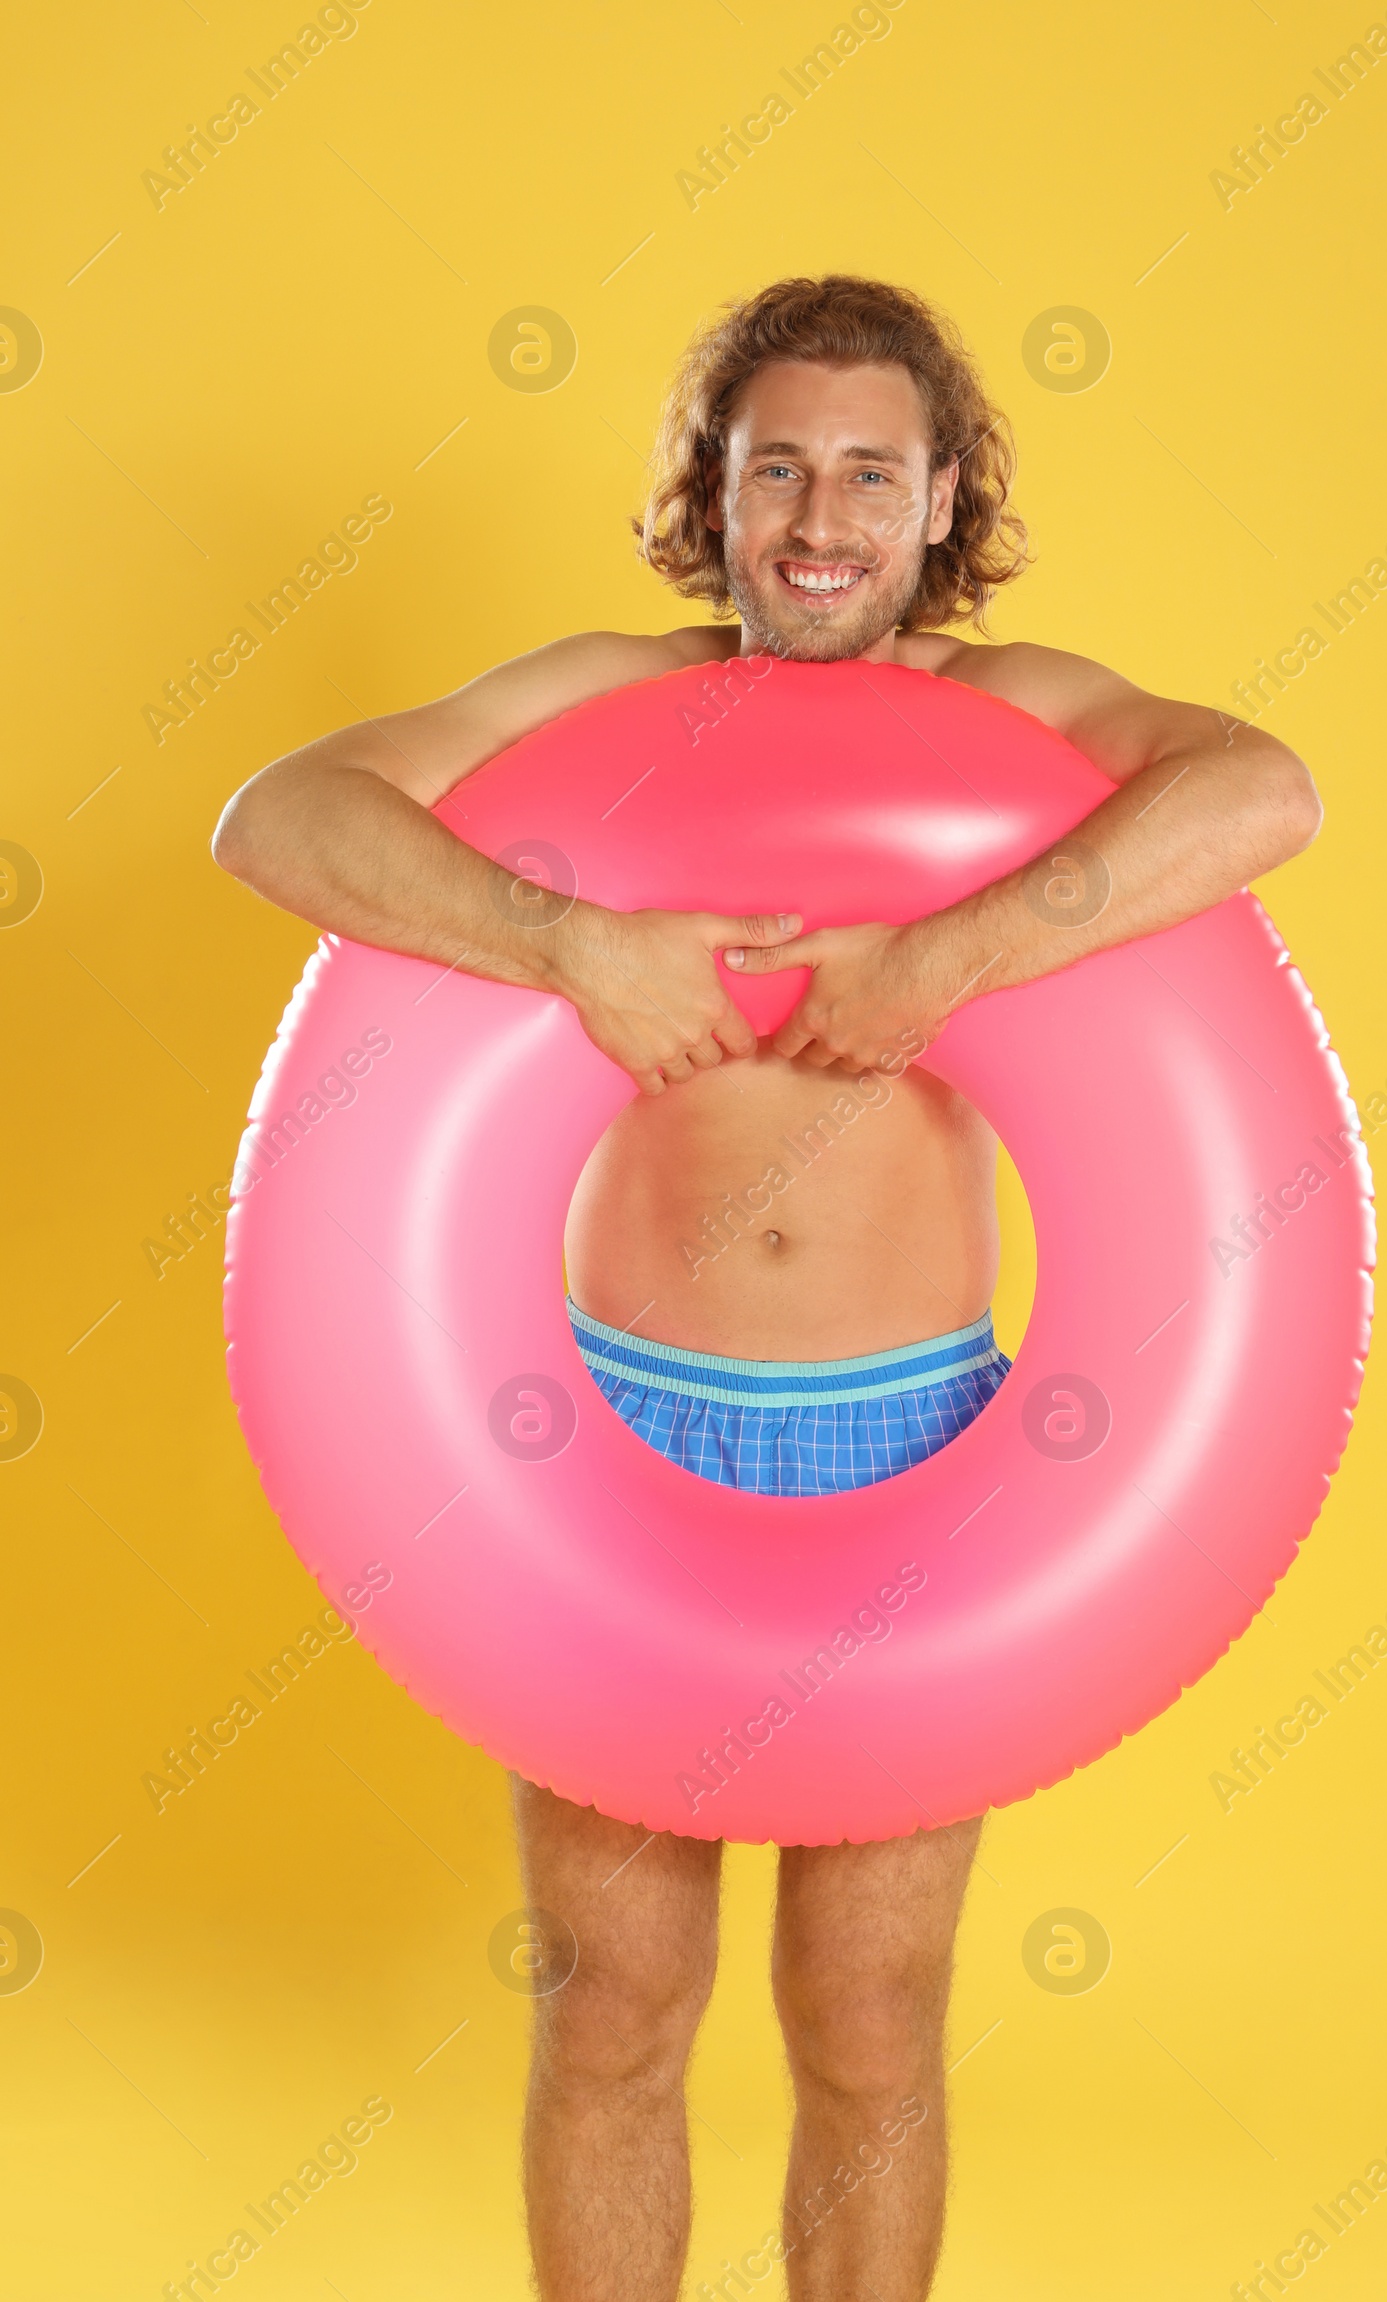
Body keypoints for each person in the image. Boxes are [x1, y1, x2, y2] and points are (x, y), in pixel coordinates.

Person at [212, 274, 1320, 2302]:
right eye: (774, 467)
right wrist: (567, 943)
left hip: (922, 1439)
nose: (817, 517)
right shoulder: (598, 708)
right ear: (706, 492)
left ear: (938, 498)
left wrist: (948, 954)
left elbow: (1264, 791)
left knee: (871, 2023)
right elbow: (273, 813)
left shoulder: (1022, 717)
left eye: (866, 475)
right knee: (614, 2005)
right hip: (612, 1431)